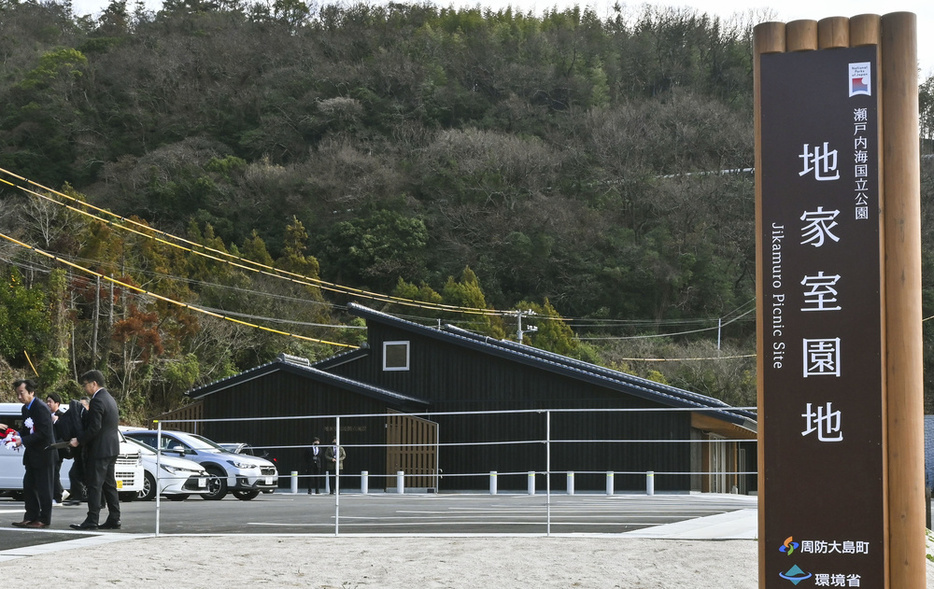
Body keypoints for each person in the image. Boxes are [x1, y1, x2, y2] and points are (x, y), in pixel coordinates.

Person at [69, 370, 121, 531]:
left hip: (99, 450)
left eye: (85, 385)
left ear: (94, 384)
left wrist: (79, 440)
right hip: (111, 448)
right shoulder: (110, 399)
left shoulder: (98, 400)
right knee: (109, 485)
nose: (84, 388)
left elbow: (95, 428)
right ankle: (114, 517)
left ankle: (92, 519)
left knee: (94, 485)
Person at [1, 379, 54, 528]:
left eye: (21, 393)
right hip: (31, 456)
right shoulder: (25, 409)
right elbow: (26, 430)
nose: (19, 397)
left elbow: (44, 433)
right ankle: (30, 516)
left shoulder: (41, 408)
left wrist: (22, 440)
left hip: (44, 455)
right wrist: (13, 435)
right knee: (29, 486)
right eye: (17, 394)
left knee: (44, 488)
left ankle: (44, 519)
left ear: (31, 392)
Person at [45, 392, 67, 504]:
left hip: (59, 449)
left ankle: (58, 496)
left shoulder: (62, 416)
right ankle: (60, 492)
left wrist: (56, 421)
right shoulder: (46, 415)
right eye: (47, 401)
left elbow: (65, 431)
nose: (48, 404)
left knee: (54, 471)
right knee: (51, 472)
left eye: (50, 401)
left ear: (57, 403)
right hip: (49, 448)